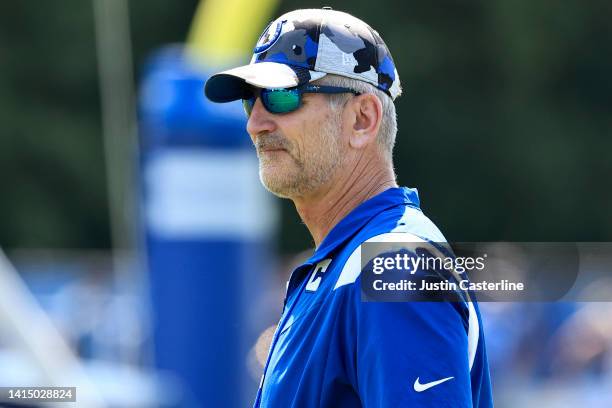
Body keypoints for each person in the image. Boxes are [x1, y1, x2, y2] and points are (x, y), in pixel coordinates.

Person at [205, 7, 492, 407]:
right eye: (250, 101)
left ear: (362, 119)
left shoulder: (395, 264)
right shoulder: (342, 265)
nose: (255, 124)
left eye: (281, 96)